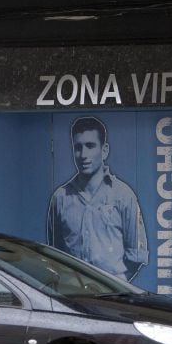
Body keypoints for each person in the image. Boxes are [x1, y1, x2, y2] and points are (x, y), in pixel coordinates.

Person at [47, 116, 148, 281]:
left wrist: (112, 285)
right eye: (78, 147)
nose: (83, 154)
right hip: (72, 295)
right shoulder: (60, 198)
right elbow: (55, 255)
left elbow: (136, 256)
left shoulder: (123, 195)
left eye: (90, 146)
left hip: (112, 296)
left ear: (105, 150)